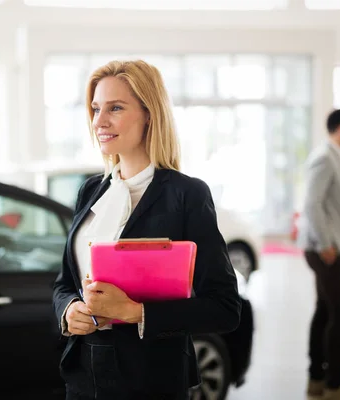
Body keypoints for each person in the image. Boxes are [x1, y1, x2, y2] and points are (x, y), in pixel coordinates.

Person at [51, 59, 241, 400]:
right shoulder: (90, 191)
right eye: (95, 109)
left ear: (149, 114)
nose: (100, 121)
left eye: (115, 108)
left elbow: (224, 307)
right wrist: (68, 310)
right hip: (83, 374)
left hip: (150, 378)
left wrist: (135, 312)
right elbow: (65, 282)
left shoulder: (186, 195)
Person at [298, 109, 340, 400]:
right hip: (325, 248)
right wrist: (325, 244)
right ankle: (333, 382)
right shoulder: (325, 157)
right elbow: (312, 204)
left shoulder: (335, 157)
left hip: (333, 245)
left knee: (325, 311)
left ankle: (317, 378)